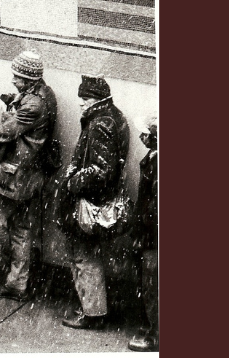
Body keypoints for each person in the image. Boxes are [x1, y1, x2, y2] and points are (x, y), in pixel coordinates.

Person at [0, 51, 58, 301]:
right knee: (22, 229)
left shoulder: (34, 104)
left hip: (16, 176)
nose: (14, 80)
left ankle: (15, 267)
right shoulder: (44, 94)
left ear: (31, 79)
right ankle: (18, 282)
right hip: (32, 175)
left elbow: (6, 132)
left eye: (19, 77)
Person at [59, 75, 130, 330]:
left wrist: (72, 183)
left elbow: (101, 171)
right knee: (89, 255)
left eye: (84, 100)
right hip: (100, 203)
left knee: (84, 256)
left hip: (90, 203)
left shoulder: (101, 124)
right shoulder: (113, 117)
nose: (80, 105)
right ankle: (94, 309)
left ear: (96, 100)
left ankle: (92, 313)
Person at [128, 113, 159, 352]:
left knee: (153, 284)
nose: (141, 137)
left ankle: (155, 334)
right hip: (150, 233)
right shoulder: (153, 158)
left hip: (153, 236)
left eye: (146, 134)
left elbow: (153, 207)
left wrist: (143, 233)